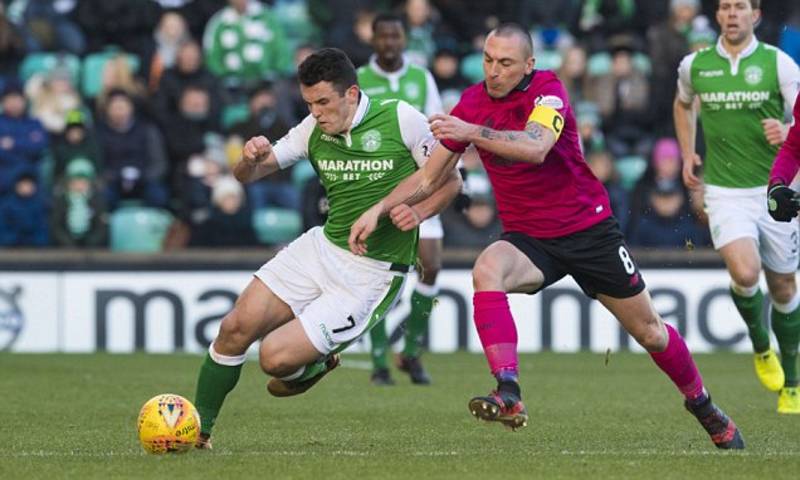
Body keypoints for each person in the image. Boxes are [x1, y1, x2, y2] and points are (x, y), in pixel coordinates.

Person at [349, 23, 744, 449]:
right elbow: (429, 176)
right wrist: (381, 209)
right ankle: (509, 390)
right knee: (487, 269)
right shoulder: (471, 102)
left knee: (650, 332)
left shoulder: (548, 91)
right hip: (529, 239)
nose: (494, 71)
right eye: (487, 60)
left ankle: (702, 404)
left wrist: (472, 132)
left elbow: (536, 147)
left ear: (529, 65)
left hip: (588, 231)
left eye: (505, 63)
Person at [192, 47, 461, 449]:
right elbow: (250, 174)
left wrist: (420, 214)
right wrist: (250, 159)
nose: (316, 112)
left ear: (351, 94)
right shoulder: (311, 130)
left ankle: (316, 366)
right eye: (308, 103)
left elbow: (450, 179)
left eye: (323, 102)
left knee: (273, 360)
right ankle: (197, 432)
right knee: (233, 329)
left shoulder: (401, 118)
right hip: (321, 248)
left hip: (372, 273)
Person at [673, 0, 800, 413]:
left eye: (740, 7)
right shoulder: (696, 66)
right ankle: (762, 346)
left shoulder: (778, 63)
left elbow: (798, 115)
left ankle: (793, 383)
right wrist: (688, 150)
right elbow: (683, 102)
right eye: (725, 6)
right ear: (718, 16)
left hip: (774, 188)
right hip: (724, 190)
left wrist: (785, 129)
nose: (732, 13)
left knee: (783, 286)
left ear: (755, 15)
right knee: (745, 272)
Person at [357, 12, 445, 386]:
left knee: (431, 265)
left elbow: (437, 126)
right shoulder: (358, 80)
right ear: (373, 40)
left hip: (420, 182)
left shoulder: (421, 77)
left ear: (404, 39)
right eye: (384, 37)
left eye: (396, 37)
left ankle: (410, 350)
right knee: (378, 274)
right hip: (376, 187)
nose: (390, 43)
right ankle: (379, 360)